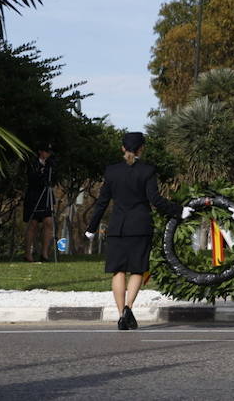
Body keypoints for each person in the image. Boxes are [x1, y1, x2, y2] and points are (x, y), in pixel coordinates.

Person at [85, 132, 192, 330]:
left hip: (117, 226)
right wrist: (180, 211)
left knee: (118, 271)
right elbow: (156, 200)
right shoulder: (147, 170)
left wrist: (91, 228)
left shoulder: (112, 171)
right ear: (142, 148)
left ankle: (120, 315)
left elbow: (102, 202)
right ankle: (128, 307)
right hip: (140, 226)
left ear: (122, 148)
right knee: (137, 269)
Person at [22, 145, 58, 262]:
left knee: (48, 222)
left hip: (45, 194)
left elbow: (52, 178)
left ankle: (45, 253)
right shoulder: (32, 163)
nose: (47, 154)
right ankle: (28, 254)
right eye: (45, 152)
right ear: (40, 151)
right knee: (33, 223)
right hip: (34, 195)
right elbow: (32, 178)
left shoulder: (50, 164)